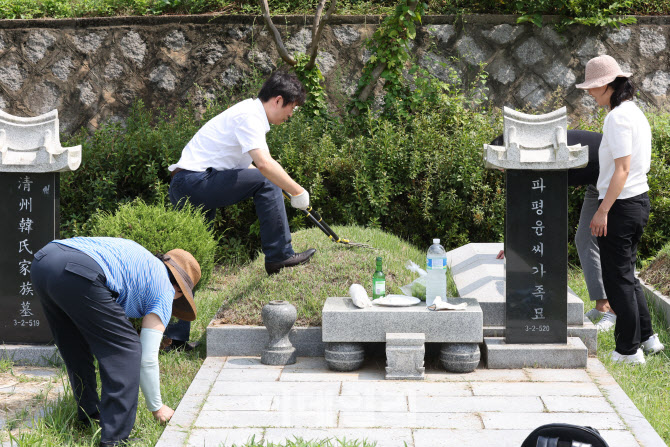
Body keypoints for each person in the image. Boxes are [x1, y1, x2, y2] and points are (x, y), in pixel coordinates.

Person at [165, 70, 316, 348]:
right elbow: (264, 166)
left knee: (187, 260)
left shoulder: (249, 115)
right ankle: (279, 256)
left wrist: (286, 186)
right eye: (291, 109)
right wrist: (297, 191)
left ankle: (173, 338)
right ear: (278, 100)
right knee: (266, 180)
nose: (290, 117)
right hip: (193, 182)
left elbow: (244, 168)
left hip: (189, 183)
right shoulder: (250, 116)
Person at [30, 237, 201, 446]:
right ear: (180, 290)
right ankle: (115, 439)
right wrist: (157, 407)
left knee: (74, 344)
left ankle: (89, 414)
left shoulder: (143, 262)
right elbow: (146, 358)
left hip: (43, 261)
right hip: (78, 271)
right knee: (127, 350)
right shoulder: (166, 290)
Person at [576, 54, 664, 364]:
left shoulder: (617, 118)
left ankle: (627, 350)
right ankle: (647, 338)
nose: (589, 92)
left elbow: (621, 170)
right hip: (636, 201)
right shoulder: (634, 112)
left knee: (617, 280)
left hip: (621, 205)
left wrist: (603, 211)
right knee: (627, 276)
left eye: (592, 87)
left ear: (607, 85)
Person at [493, 131, 615, 331]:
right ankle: (603, 305)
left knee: (613, 245)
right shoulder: (535, 152)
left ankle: (615, 312)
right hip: (598, 180)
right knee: (585, 238)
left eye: (500, 166)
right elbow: (524, 204)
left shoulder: (541, 156)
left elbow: (539, 208)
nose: (501, 171)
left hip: (615, 178)